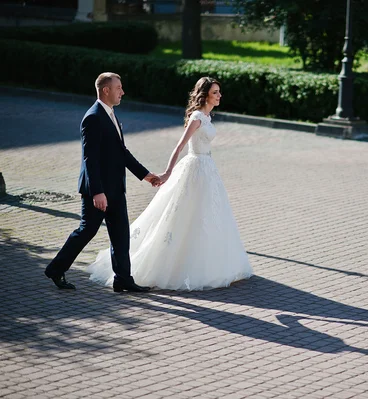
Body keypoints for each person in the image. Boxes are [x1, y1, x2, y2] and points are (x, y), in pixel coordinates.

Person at [88, 77, 253, 291]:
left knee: (207, 215)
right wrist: (167, 172)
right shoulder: (197, 117)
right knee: (184, 215)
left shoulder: (207, 116)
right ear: (204, 95)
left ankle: (209, 262)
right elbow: (179, 146)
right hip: (195, 169)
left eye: (219, 92)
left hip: (208, 169)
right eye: (215, 92)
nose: (219, 96)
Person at [45, 72, 162, 292]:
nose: (122, 92)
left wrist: (146, 175)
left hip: (116, 188)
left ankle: (123, 279)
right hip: (98, 191)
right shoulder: (93, 117)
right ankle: (55, 269)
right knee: (86, 231)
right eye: (119, 88)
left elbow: (121, 153)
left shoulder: (111, 115)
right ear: (106, 90)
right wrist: (97, 192)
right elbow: (90, 159)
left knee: (120, 234)